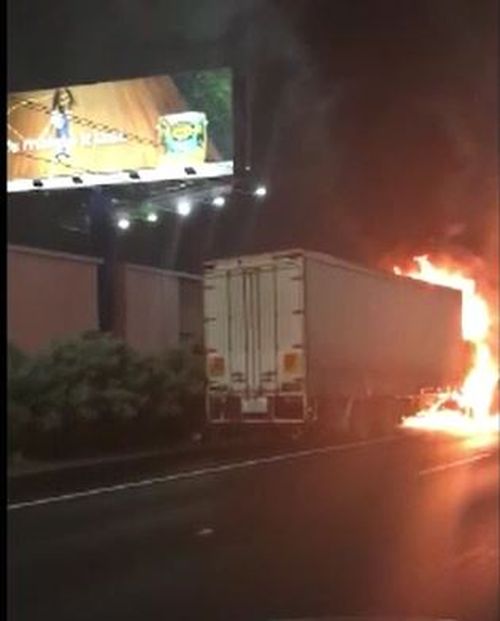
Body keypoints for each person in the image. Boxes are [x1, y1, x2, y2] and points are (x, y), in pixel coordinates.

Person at [50, 88, 75, 161]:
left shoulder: (69, 109)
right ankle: (59, 152)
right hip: (60, 129)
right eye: (62, 99)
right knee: (60, 135)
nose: (65, 101)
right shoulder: (56, 111)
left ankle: (66, 151)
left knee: (66, 135)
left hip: (66, 130)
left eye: (66, 98)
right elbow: (55, 123)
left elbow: (70, 121)